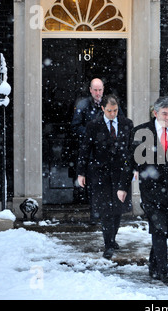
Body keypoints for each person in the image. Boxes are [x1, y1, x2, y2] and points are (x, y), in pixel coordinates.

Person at [117, 96, 168, 283]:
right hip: (150, 188)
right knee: (158, 228)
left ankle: (153, 265)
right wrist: (123, 186)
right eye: (164, 114)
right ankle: (163, 270)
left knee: (165, 230)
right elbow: (129, 162)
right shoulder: (141, 131)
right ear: (155, 113)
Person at [77, 94, 133, 259]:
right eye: (109, 110)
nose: (112, 114)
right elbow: (85, 149)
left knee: (118, 209)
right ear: (102, 109)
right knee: (106, 210)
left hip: (120, 173)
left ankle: (112, 238)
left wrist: (134, 169)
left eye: (115, 110)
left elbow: (132, 149)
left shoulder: (127, 124)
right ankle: (108, 243)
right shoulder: (93, 125)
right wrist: (81, 172)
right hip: (100, 173)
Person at [71, 78, 105, 224]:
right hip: (90, 153)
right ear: (90, 90)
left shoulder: (109, 104)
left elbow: (120, 121)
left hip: (106, 152)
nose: (98, 93)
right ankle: (95, 215)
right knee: (93, 185)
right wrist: (92, 134)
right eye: (95, 90)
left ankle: (107, 215)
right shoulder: (83, 105)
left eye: (100, 90)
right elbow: (75, 127)